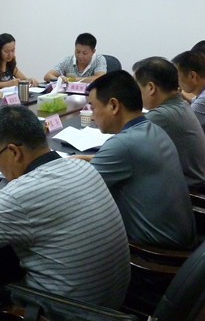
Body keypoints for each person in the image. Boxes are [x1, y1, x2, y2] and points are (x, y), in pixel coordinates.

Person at [0, 105, 130, 321]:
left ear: (14, 152)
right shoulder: (81, 167)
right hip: (110, 306)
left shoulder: (20, 195)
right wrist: (8, 205)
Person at [78, 71, 196, 250]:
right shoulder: (153, 128)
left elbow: (77, 191)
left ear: (114, 105)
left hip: (153, 253)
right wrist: (87, 159)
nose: (92, 116)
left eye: (93, 108)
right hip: (180, 239)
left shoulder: (122, 145)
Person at [133, 56, 205, 195]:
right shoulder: (181, 104)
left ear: (151, 88)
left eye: (137, 88)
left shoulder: (162, 116)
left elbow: (125, 140)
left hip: (194, 195)